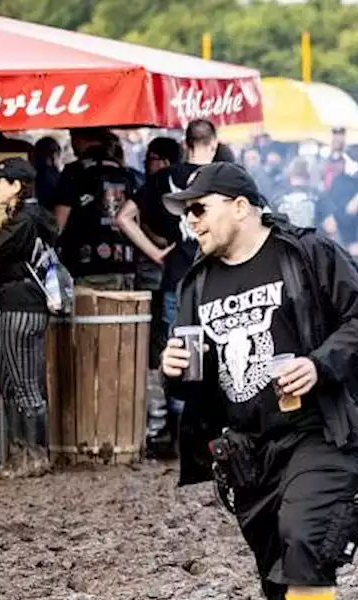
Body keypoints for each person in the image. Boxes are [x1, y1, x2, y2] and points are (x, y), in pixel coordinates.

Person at [159, 163, 358, 600]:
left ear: (241, 205)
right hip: (245, 447)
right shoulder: (196, 282)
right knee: (272, 568)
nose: (191, 222)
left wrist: (319, 365)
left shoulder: (307, 254)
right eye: (186, 213)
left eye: (199, 208)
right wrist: (173, 373)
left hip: (321, 432)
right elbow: (197, 375)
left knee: (305, 539)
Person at [118, 120, 219, 458]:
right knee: (221, 354)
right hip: (220, 280)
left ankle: (180, 441)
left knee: (180, 357)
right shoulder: (225, 177)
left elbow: (123, 218)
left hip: (178, 278)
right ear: (213, 143)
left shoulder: (164, 178)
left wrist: (154, 252)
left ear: (186, 143)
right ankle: (213, 436)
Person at [0, 158, 59, 478]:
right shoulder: (29, 217)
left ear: (15, 186)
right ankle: (20, 456)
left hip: (21, 308)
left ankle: (35, 458)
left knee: (24, 386)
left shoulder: (24, 220)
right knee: (10, 384)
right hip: (23, 305)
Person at [53, 132, 140, 290]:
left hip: (86, 265)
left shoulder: (74, 172)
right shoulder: (127, 174)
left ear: (80, 138)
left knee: (88, 313)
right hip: (125, 261)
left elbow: (58, 224)